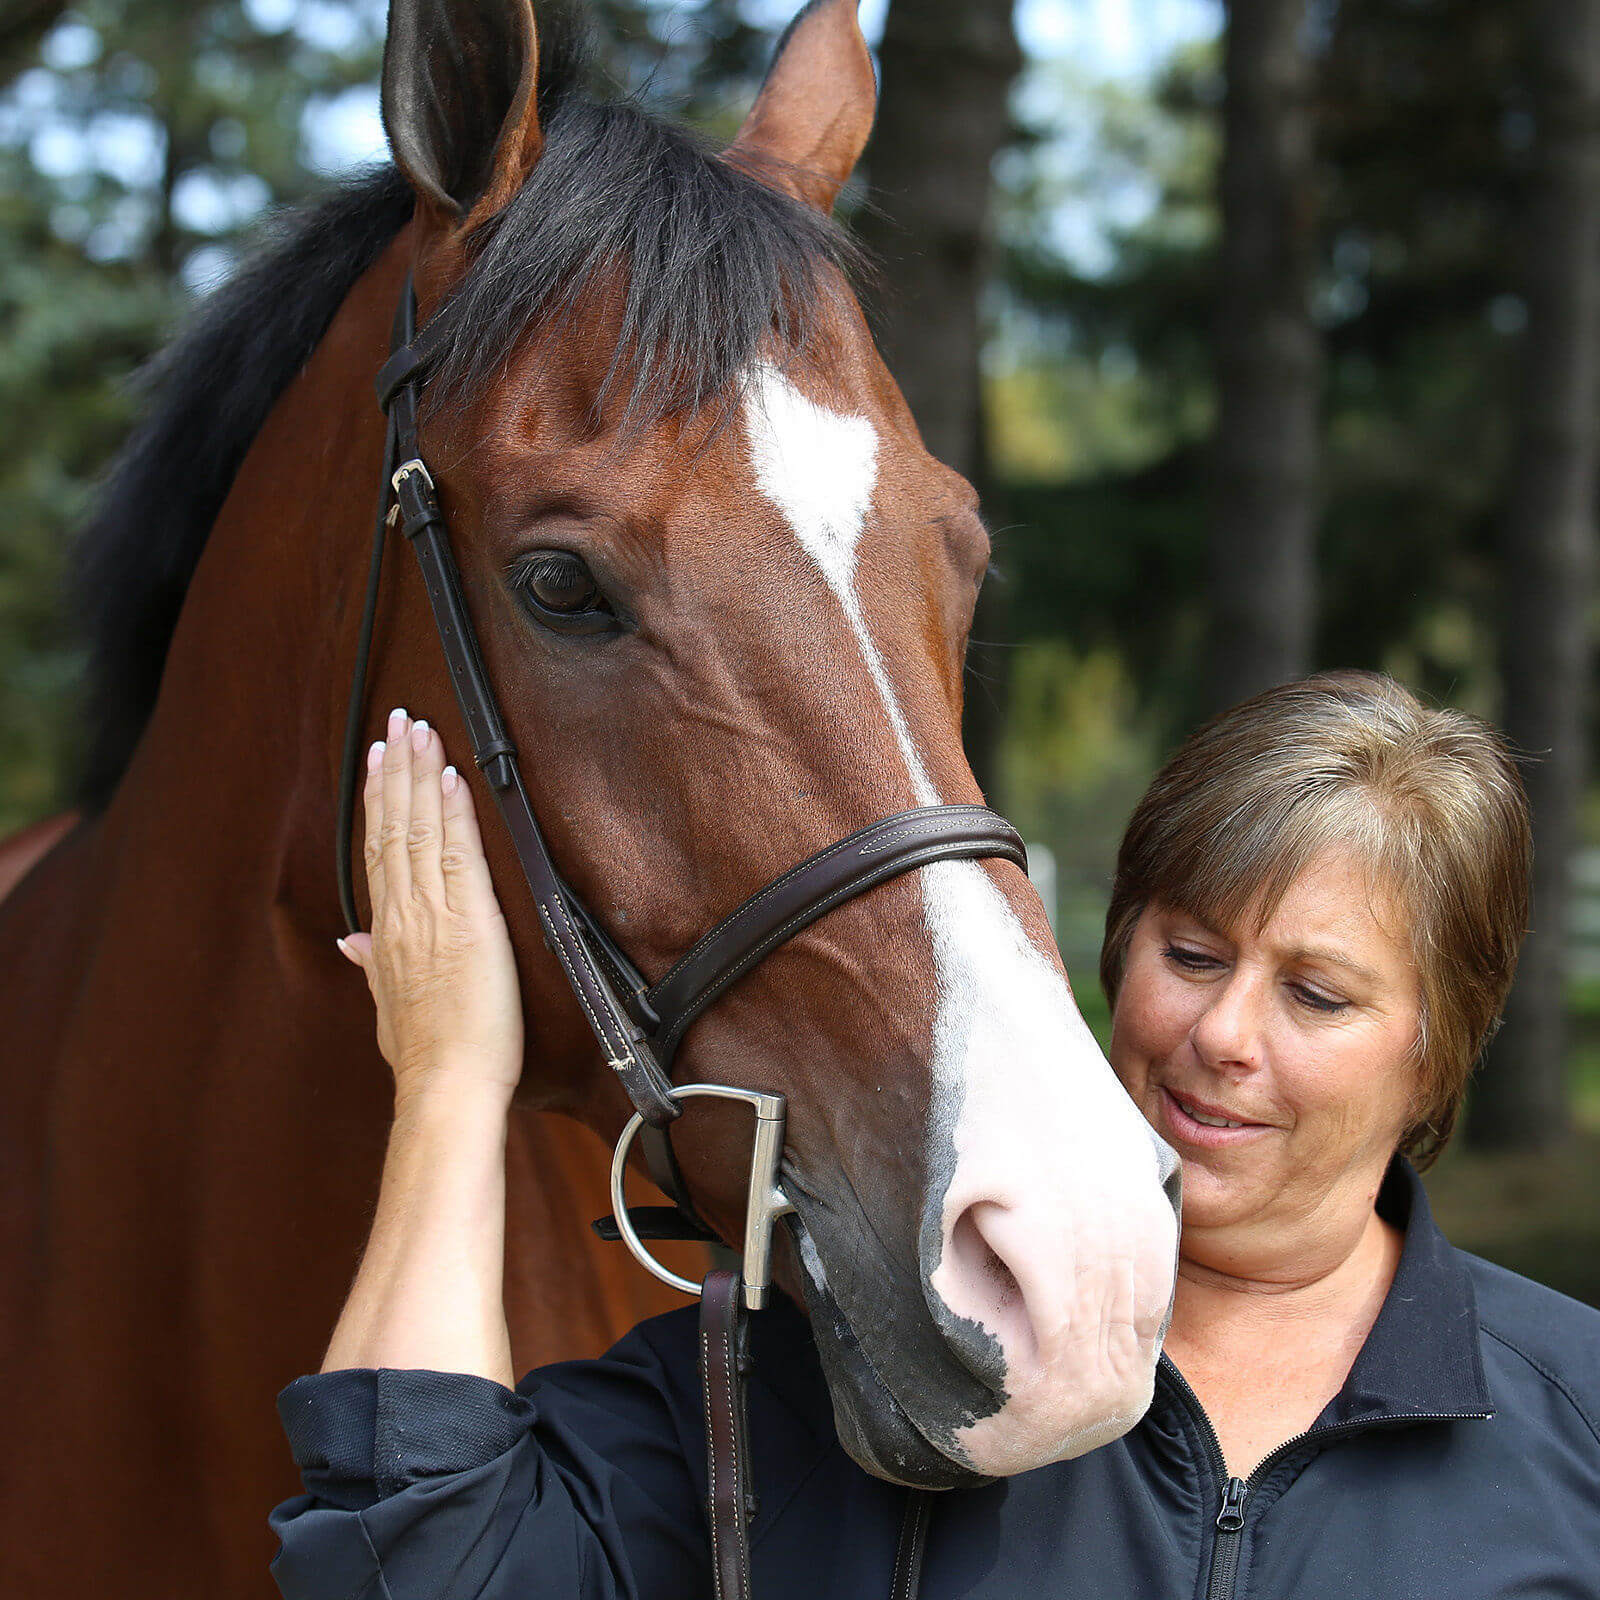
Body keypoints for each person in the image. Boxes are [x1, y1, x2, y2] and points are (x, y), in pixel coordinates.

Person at [269, 671, 1600, 1598]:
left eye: (1315, 994)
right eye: (1191, 954)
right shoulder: (836, 1353)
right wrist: (449, 1081)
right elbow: (408, 1560)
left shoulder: (1576, 1420)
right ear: (1116, 947)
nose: (1225, 1035)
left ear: (1438, 1057)